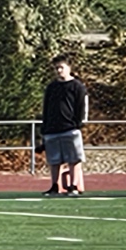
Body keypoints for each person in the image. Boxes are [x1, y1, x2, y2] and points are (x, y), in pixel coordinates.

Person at [38, 53, 92, 197]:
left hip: (70, 129)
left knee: (73, 159)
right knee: (54, 160)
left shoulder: (77, 86)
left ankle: (73, 186)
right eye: (56, 68)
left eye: (61, 67)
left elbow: (82, 107)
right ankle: (55, 186)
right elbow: (46, 108)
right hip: (52, 129)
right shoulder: (51, 87)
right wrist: (44, 129)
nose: (58, 71)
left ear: (69, 68)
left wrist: (78, 124)